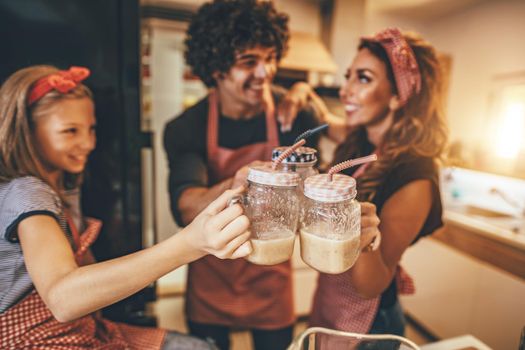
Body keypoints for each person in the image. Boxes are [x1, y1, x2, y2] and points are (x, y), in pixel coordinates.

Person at [0, 65, 253, 350]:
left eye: (91, 129)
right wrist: (190, 244)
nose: (88, 143)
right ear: (27, 134)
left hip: (80, 328)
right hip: (38, 339)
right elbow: (63, 299)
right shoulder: (28, 192)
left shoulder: (64, 184)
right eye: (70, 131)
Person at [162, 1, 325, 349]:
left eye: (269, 58)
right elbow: (187, 208)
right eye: (248, 62)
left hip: (271, 285)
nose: (265, 73)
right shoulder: (187, 127)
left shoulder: (294, 116)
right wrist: (238, 183)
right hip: (211, 285)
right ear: (217, 67)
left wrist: (307, 94)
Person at [283, 27, 448, 336]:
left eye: (364, 78)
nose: (346, 91)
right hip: (328, 301)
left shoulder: (415, 177)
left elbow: (370, 285)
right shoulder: (359, 140)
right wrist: (300, 89)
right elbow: (318, 112)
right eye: (349, 76)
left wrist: (364, 236)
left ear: (398, 96)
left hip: (368, 324)